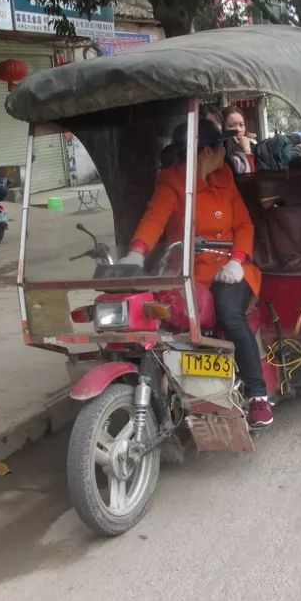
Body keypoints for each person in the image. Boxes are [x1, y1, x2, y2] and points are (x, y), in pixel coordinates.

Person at [119, 118, 273, 428]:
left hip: (230, 268)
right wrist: (137, 252)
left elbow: (244, 224)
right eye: (219, 146)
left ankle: (258, 396)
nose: (223, 152)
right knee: (161, 321)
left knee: (230, 313)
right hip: (187, 271)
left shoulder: (224, 178)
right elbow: (154, 219)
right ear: (203, 152)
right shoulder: (172, 182)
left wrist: (238, 260)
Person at [222, 106, 257, 174]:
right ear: (223, 128)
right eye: (231, 126)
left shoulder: (253, 145)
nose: (238, 129)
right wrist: (246, 151)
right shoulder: (220, 151)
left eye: (241, 125)